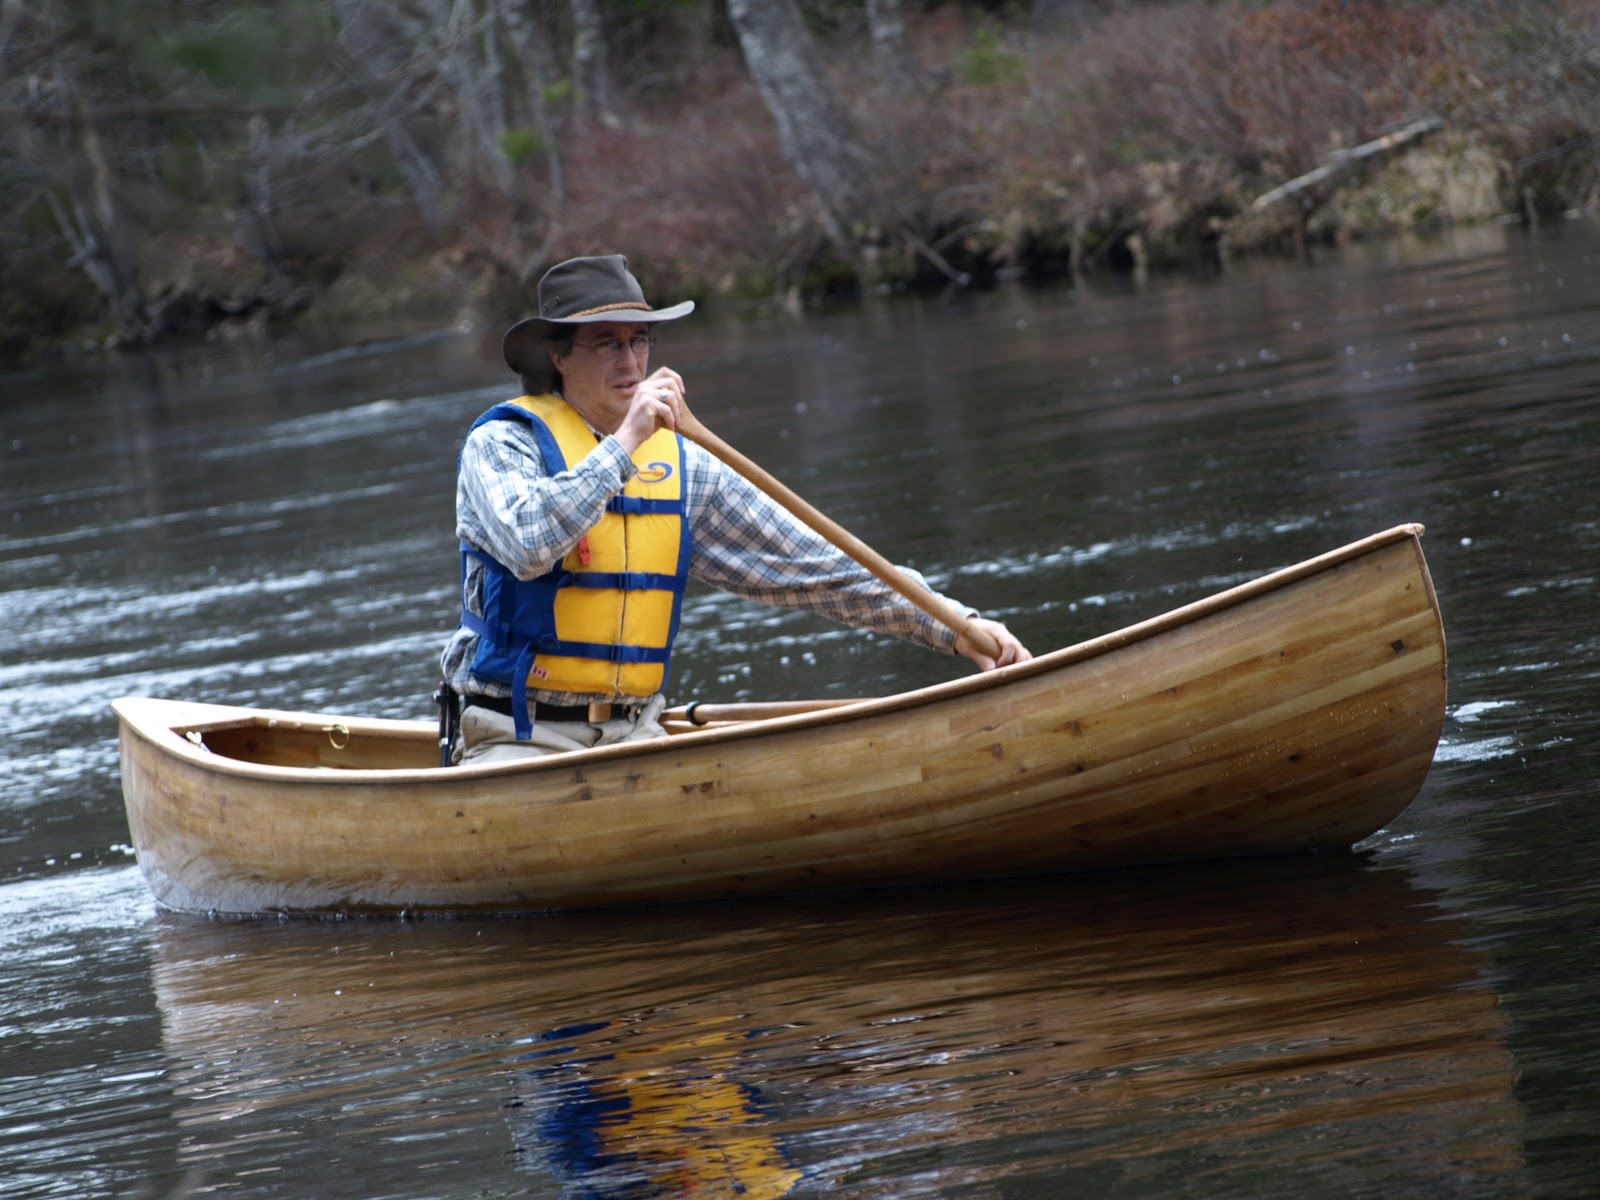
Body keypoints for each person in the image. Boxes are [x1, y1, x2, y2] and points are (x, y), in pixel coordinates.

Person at [440, 254, 1030, 764]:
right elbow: (528, 542)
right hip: (517, 737)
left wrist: (953, 626)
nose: (630, 362)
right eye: (606, 344)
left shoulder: (683, 466)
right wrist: (624, 445)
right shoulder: (502, 445)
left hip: (635, 732)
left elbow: (819, 568)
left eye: (639, 341)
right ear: (559, 357)